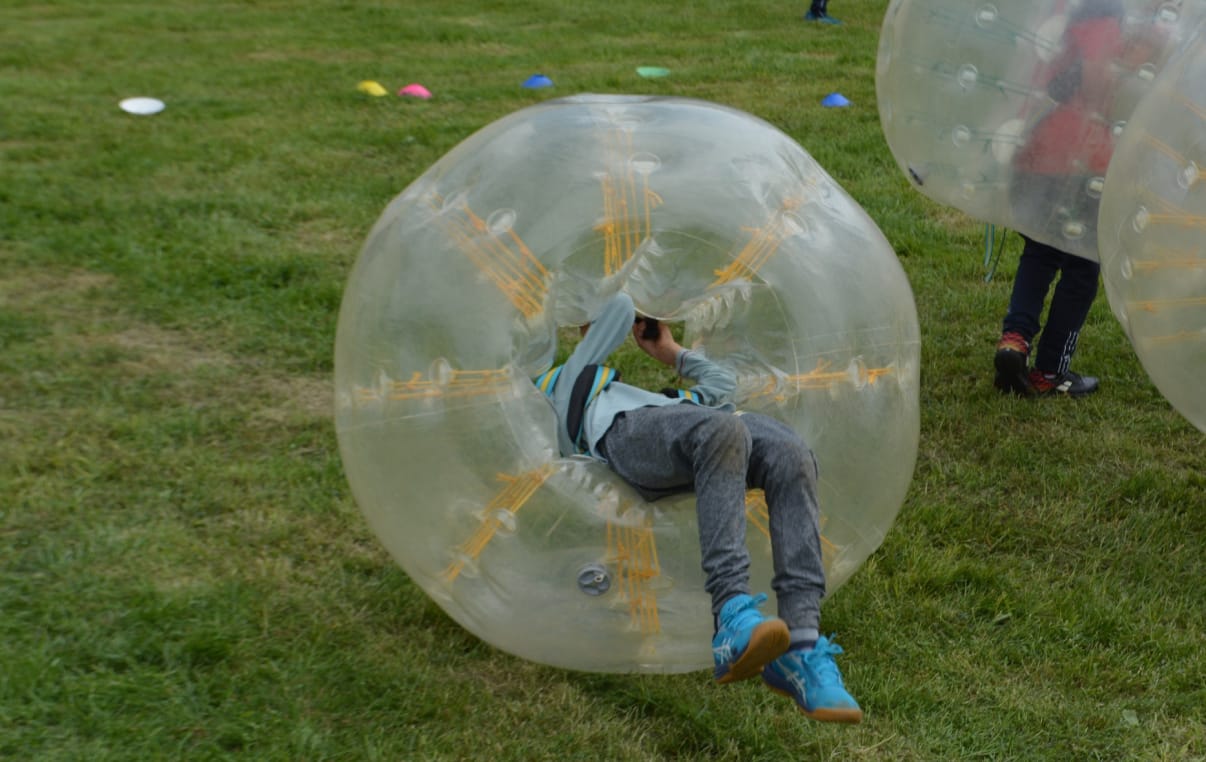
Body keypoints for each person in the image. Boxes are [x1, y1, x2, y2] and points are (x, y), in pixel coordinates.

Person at [534, 292, 861, 723]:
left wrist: (669, 352)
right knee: (723, 430)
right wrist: (620, 300)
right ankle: (730, 614)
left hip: (698, 431)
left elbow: (723, 387)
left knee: (790, 454)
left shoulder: (674, 405)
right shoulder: (566, 384)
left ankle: (800, 646)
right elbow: (617, 306)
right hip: (633, 437)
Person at [993, 1, 1131, 398]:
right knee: (1082, 265)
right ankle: (1050, 371)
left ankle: (1014, 340)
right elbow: (1096, 80)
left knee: (1039, 252)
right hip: (1084, 158)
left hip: (1035, 148)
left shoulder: (1053, 9)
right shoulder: (1105, 18)